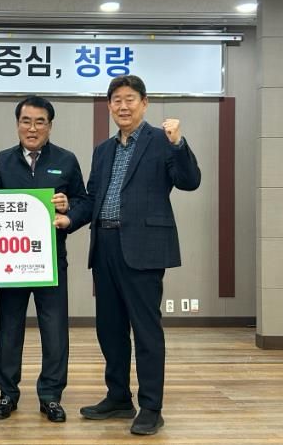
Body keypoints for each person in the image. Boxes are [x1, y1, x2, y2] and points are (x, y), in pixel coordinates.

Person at [58, 75, 201, 435]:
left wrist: (178, 143)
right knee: (110, 329)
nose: (123, 106)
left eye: (130, 99)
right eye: (116, 100)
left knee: (146, 330)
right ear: (109, 106)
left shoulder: (162, 141)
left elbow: (189, 181)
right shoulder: (103, 150)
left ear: (144, 103)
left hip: (144, 247)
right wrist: (69, 218)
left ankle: (151, 406)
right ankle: (119, 397)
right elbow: (92, 199)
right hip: (105, 245)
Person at [0, 95, 88, 423]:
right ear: (17, 125)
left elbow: (84, 201)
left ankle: (51, 396)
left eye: (40, 122)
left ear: (50, 126)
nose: (32, 128)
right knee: (9, 328)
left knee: (54, 330)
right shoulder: (2, 160)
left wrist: (69, 212)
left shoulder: (66, 160)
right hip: (12, 261)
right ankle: (7, 393)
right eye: (26, 121)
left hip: (51, 259)